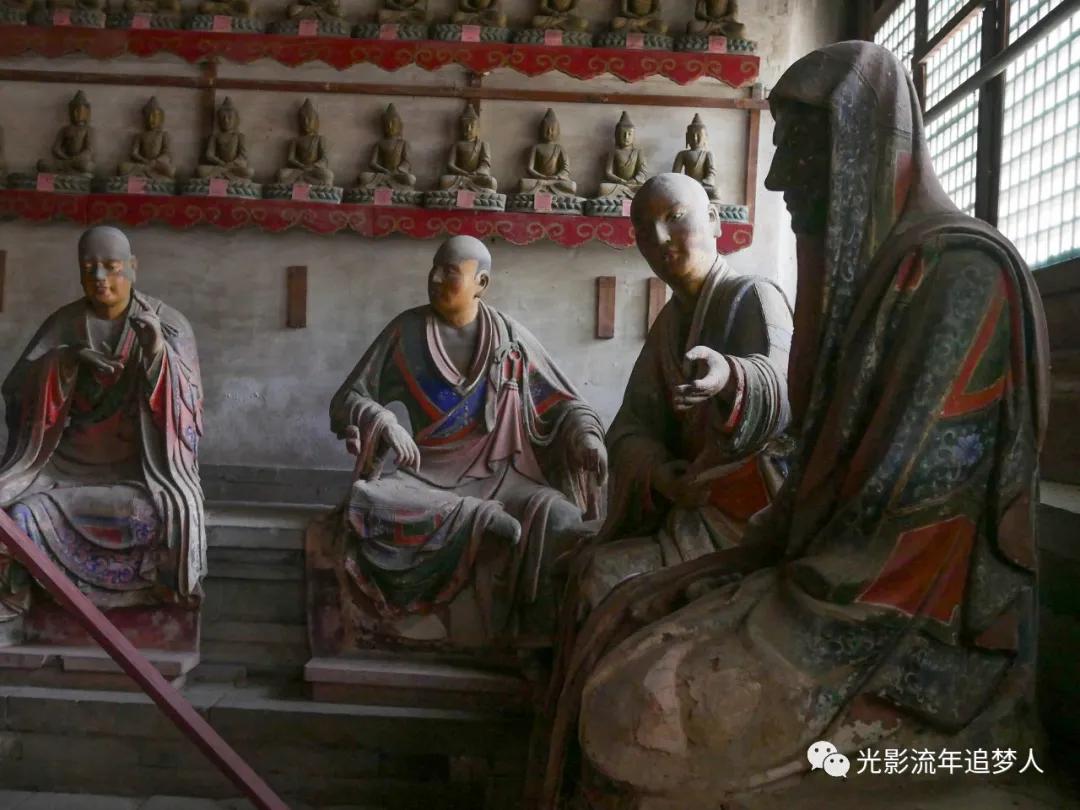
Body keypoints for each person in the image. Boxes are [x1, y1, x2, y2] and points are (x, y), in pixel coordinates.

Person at [540, 41, 1049, 808]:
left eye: (798, 152)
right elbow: (638, 428)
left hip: (896, 619)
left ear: (860, 150)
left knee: (641, 691)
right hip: (799, 556)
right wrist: (678, 488)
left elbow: (900, 503)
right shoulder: (854, 291)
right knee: (625, 624)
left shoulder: (959, 275)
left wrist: (733, 388)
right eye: (647, 233)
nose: (778, 179)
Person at [309, 236, 606, 648]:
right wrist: (382, 419)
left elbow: (564, 405)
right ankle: (480, 519)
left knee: (561, 519)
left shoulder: (511, 341)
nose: (434, 278)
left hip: (509, 479)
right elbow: (347, 400)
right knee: (367, 502)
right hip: (426, 479)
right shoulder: (406, 332)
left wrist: (588, 439)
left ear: (481, 282)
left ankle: (534, 646)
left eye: (449, 271)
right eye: (433, 268)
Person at [571, 172, 792, 615]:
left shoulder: (755, 296)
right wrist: (656, 472)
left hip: (744, 516)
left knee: (600, 577)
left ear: (713, 220)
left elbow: (785, 393)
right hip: (689, 505)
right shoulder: (669, 325)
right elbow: (633, 425)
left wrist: (730, 374)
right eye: (643, 230)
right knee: (572, 556)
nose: (659, 238)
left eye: (675, 217)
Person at [0, 226, 205, 645]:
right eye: (89, 268)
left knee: (162, 519)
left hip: (140, 471)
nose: (100, 279)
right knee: (14, 516)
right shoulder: (66, 323)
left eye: (111, 267)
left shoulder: (167, 324)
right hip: (64, 469)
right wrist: (67, 364)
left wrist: (154, 357)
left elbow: (190, 410)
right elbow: (15, 389)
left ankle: (153, 624)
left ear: (133, 268)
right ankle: (14, 611)